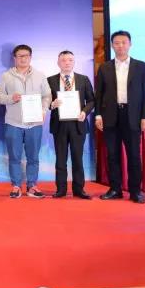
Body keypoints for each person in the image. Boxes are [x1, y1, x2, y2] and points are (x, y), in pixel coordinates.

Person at [95, 30, 145, 204]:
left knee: (134, 155)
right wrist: (98, 115)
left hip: (132, 116)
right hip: (111, 116)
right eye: (117, 43)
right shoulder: (104, 67)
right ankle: (115, 189)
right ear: (112, 45)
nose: (120, 46)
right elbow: (99, 94)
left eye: (124, 42)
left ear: (130, 44)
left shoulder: (142, 67)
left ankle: (136, 191)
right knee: (112, 155)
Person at [0, 44, 51, 199]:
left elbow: (47, 95)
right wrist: (10, 98)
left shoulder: (40, 75)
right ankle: (16, 186)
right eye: (20, 56)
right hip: (13, 123)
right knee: (14, 157)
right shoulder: (6, 76)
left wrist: (43, 110)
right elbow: (0, 96)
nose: (23, 58)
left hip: (34, 123)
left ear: (30, 57)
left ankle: (32, 185)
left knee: (33, 157)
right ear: (14, 58)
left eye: (26, 55)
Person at [47, 51, 95, 199]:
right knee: (60, 159)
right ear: (58, 63)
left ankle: (79, 189)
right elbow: (45, 101)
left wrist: (85, 112)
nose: (67, 62)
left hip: (78, 124)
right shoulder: (50, 80)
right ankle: (61, 189)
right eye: (63, 60)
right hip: (59, 125)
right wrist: (52, 104)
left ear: (74, 62)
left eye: (70, 60)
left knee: (77, 158)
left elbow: (92, 100)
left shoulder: (83, 79)